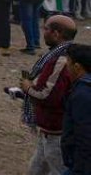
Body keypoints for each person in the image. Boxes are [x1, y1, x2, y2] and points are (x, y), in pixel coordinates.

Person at [22, 14, 78, 175]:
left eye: (46, 28)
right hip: (48, 128)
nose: (43, 32)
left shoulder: (61, 60)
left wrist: (27, 88)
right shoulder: (60, 54)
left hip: (57, 130)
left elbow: (49, 95)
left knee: (58, 170)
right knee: (36, 169)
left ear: (56, 33)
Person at [62, 43, 91, 174]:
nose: (66, 67)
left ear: (77, 67)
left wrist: (80, 168)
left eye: (68, 63)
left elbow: (84, 133)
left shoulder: (82, 94)